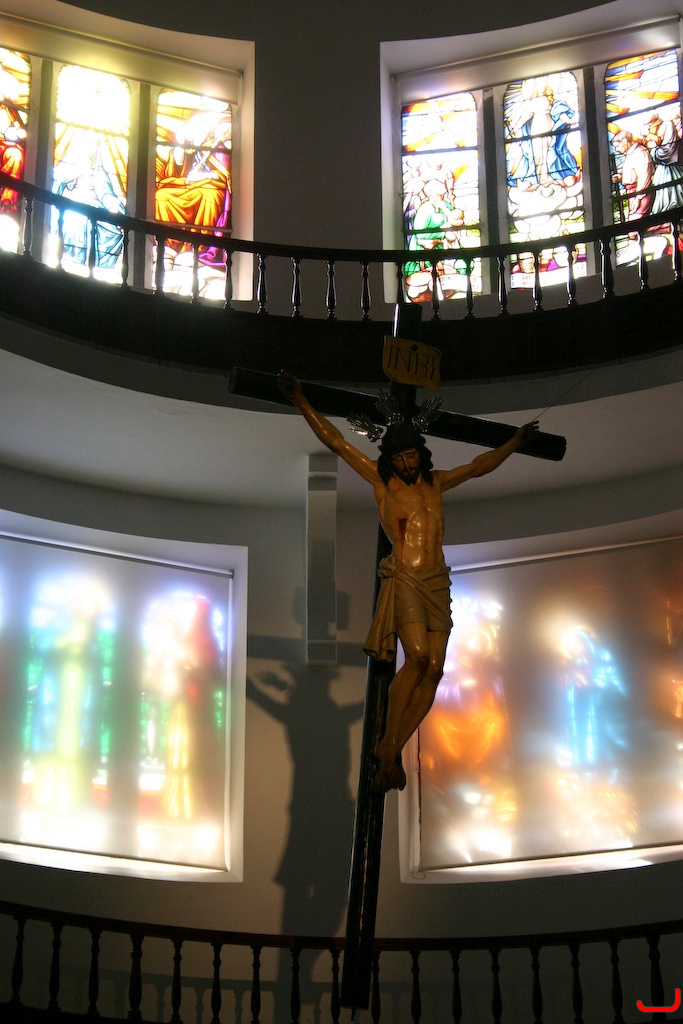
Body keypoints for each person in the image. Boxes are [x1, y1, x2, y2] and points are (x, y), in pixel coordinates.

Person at [277, 370, 539, 793]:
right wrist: (300, 399)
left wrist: (514, 443)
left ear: (421, 453)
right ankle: (388, 744)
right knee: (416, 657)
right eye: (399, 458)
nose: (407, 463)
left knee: (435, 669)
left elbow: (479, 467)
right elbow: (337, 442)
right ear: (391, 460)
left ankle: (390, 747)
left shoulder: (436, 482)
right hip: (407, 579)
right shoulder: (382, 484)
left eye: (412, 455)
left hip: (437, 581)